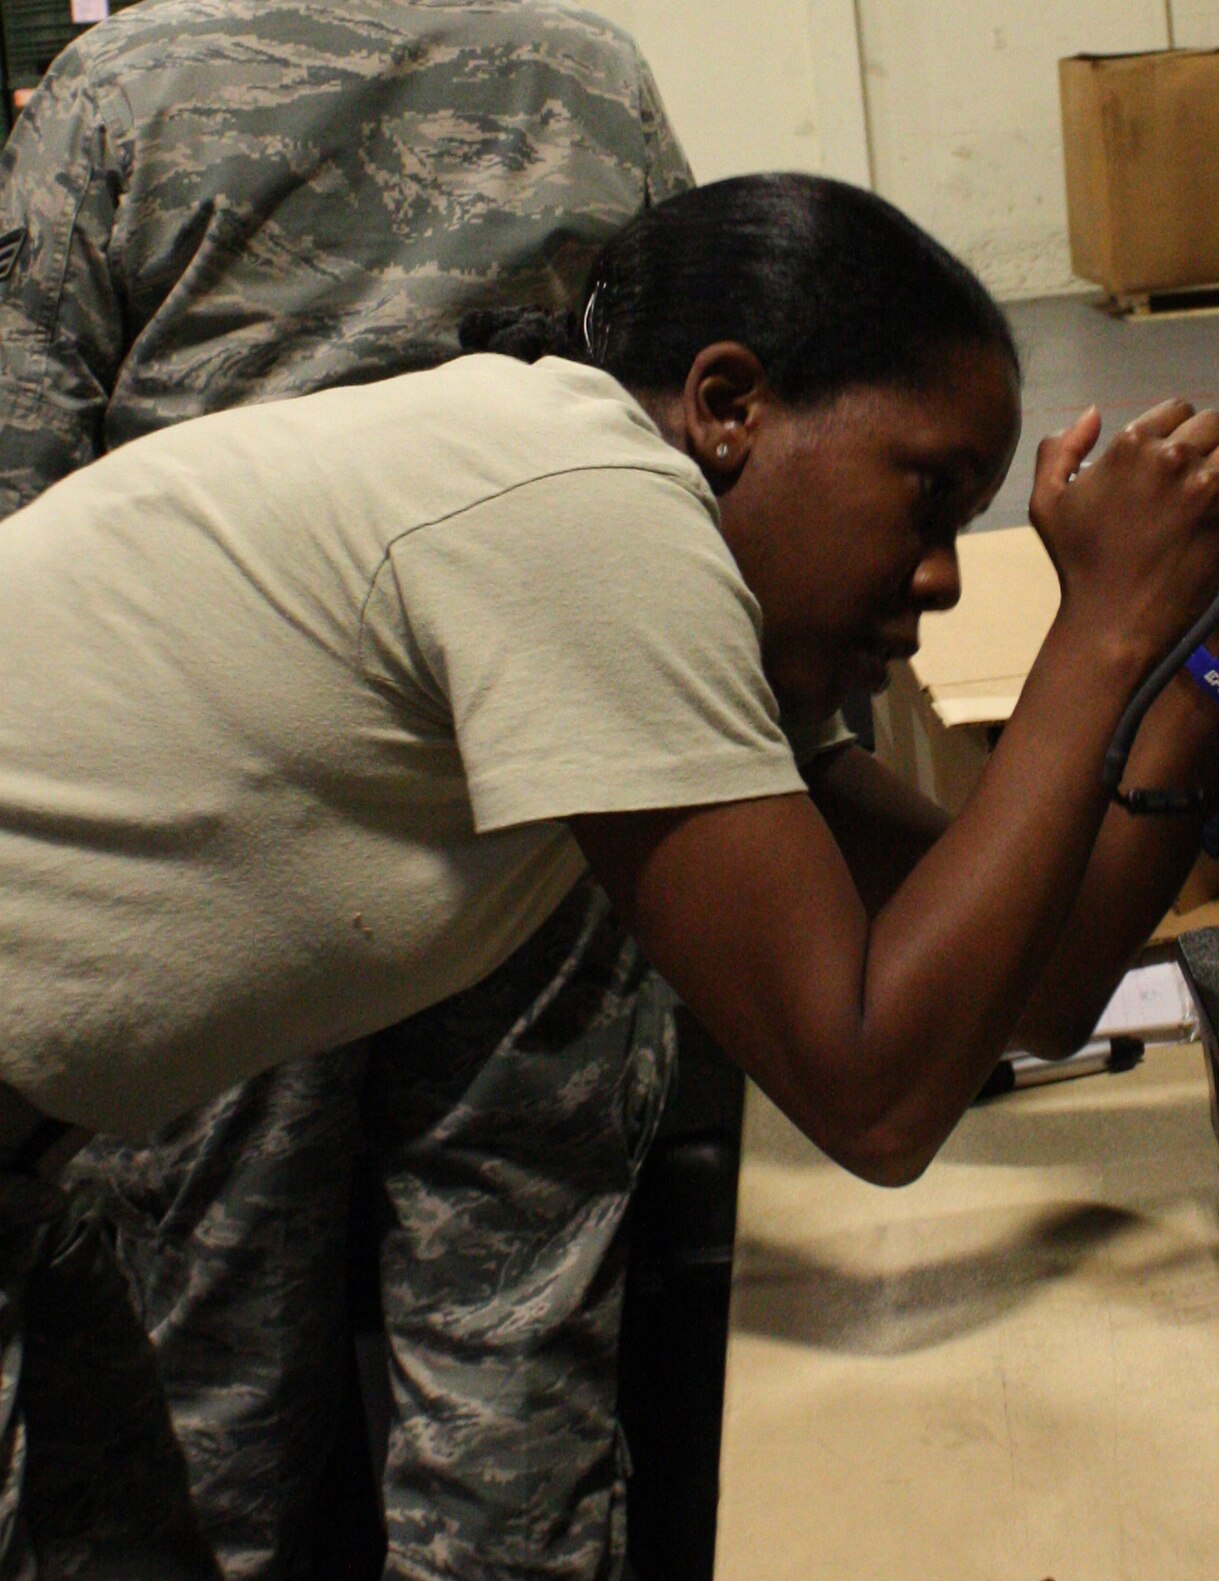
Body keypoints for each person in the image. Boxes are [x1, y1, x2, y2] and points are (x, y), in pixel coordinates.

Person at [0, 169, 1219, 1573]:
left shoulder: (634, 569)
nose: (942, 577)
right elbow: (873, 1092)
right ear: (730, 403)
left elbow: (1039, 987)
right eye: (928, 495)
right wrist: (1104, 627)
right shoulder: (582, 504)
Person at [0, 3, 694, 1575]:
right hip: (533, 773)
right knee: (514, 1330)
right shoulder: (586, 69)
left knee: (206, 1372)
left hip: (218, 814)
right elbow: (677, 425)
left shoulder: (118, 91)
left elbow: (22, 482)